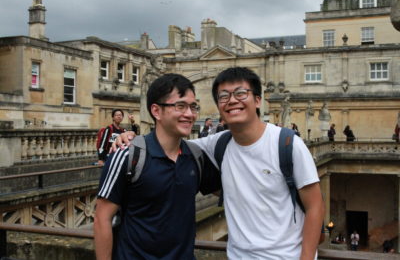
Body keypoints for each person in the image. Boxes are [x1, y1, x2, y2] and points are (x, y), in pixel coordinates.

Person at [116, 67, 324, 259]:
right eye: (223, 96)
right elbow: (168, 142)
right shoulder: (217, 144)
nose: (232, 100)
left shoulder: (287, 143)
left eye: (241, 93)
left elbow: (315, 206)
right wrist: (130, 137)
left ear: (258, 100)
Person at [94, 73, 221, 260]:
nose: (190, 114)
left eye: (193, 107)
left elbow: (231, 194)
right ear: (156, 111)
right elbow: (101, 219)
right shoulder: (128, 156)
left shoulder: (195, 157)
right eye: (180, 106)